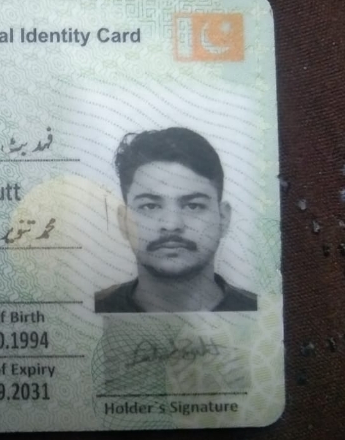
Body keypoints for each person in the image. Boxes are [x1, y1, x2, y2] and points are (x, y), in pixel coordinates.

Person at [95, 127, 257, 313]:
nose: (171, 225)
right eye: (150, 206)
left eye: (193, 206)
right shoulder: (90, 312)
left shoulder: (266, 313)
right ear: (123, 221)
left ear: (223, 218)